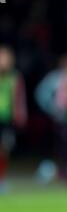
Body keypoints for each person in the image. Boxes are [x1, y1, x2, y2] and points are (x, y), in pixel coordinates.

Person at [0, 45, 27, 193]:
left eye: (6, 58)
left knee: (4, 150)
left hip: (6, 119)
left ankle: (2, 179)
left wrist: (20, 116)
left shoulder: (14, 77)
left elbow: (19, 98)